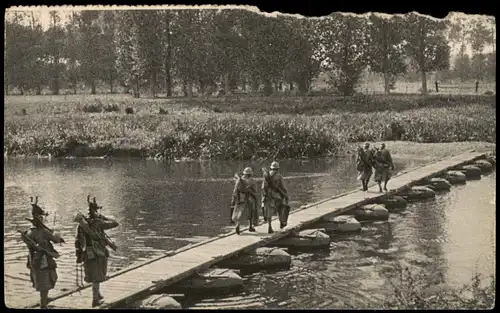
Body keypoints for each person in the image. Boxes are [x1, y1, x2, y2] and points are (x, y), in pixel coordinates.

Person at [20, 196, 65, 309]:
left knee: (41, 280)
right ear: (39, 218)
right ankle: (43, 304)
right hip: (43, 260)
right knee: (47, 279)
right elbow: (55, 240)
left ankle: (44, 300)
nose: (44, 219)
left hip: (33, 260)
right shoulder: (43, 231)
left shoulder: (29, 232)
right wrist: (57, 234)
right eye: (42, 217)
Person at [74, 196, 119, 307]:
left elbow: (77, 240)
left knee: (94, 274)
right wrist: (103, 217)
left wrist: (79, 254)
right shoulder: (98, 222)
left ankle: (97, 295)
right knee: (97, 275)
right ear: (96, 210)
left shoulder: (82, 224)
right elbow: (115, 223)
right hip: (97, 252)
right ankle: (95, 300)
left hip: (86, 253)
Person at [262, 161, 289, 234]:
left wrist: (264, 196)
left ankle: (270, 227)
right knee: (280, 210)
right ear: (277, 169)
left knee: (269, 212)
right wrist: (285, 195)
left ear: (271, 168)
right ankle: (281, 223)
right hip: (277, 196)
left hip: (268, 196)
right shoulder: (279, 176)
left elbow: (263, 187)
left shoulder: (266, 176)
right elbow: (283, 187)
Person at [231, 167, 258, 234]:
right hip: (249, 198)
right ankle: (250, 226)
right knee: (251, 212)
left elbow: (235, 190)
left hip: (239, 198)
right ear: (250, 174)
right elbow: (255, 191)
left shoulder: (239, 180)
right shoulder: (252, 181)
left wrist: (233, 199)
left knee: (238, 212)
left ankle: (237, 224)